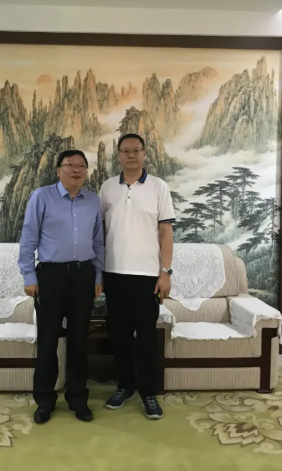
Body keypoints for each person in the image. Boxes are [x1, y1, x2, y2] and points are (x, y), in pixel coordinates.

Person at [18, 149, 104, 424]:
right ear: (58, 171)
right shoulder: (42, 196)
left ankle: (78, 399)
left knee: (79, 341)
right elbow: (28, 237)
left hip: (83, 276)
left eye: (81, 166)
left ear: (86, 171)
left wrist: (98, 276)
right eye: (70, 165)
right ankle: (44, 401)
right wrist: (29, 276)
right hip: (50, 277)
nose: (76, 170)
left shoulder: (93, 200)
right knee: (48, 341)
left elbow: (98, 241)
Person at [99, 133, 175, 420]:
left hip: (147, 276)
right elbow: (100, 232)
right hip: (114, 273)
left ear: (144, 154)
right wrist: (99, 273)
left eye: (136, 150)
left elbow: (166, 233)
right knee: (119, 335)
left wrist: (165, 272)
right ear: (118, 155)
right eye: (125, 151)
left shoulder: (158, 187)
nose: (131, 155)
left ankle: (148, 392)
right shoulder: (107, 187)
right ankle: (125, 386)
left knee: (146, 337)